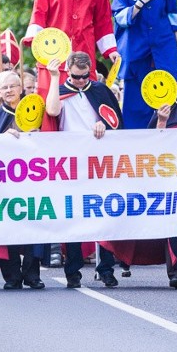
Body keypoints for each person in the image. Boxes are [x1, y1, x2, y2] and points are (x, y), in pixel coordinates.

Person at [104, 69, 177, 289]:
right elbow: (152, 143)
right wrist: (161, 121)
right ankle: (176, 272)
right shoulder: (166, 107)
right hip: (171, 178)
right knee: (174, 222)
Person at [45, 52, 122, 288]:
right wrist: (53, 78)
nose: (80, 81)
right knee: (73, 215)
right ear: (68, 71)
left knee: (104, 213)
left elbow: (116, 120)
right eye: (76, 77)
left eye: (84, 76)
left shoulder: (99, 90)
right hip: (70, 163)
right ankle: (73, 270)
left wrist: (104, 123)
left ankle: (106, 268)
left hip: (99, 161)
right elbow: (52, 112)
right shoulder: (60, 90)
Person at [22, 0, 119, 97]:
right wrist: (35, 38)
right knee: (52, 97)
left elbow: (103, 20)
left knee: (85, 95)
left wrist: (111, 50)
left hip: (84, 48)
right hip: (53, 49)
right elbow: (40, 10)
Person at [0, 71, 46, 289]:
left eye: (12, 86)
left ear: (21, 88)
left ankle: (32, 274)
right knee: (5, 229)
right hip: (3, 184)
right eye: (4, 88)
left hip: (32, 181)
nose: (9, 91)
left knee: (33, 227)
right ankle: (12, 276)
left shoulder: (37, 113)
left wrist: (37, 135)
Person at [112, 0, 177, 129]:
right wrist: (139, 2)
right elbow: (120, 19)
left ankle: (174, 128)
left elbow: (173, 15)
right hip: (136, 49)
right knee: (135, 93)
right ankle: (136, 137)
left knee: (171, 86)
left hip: (163, 44)